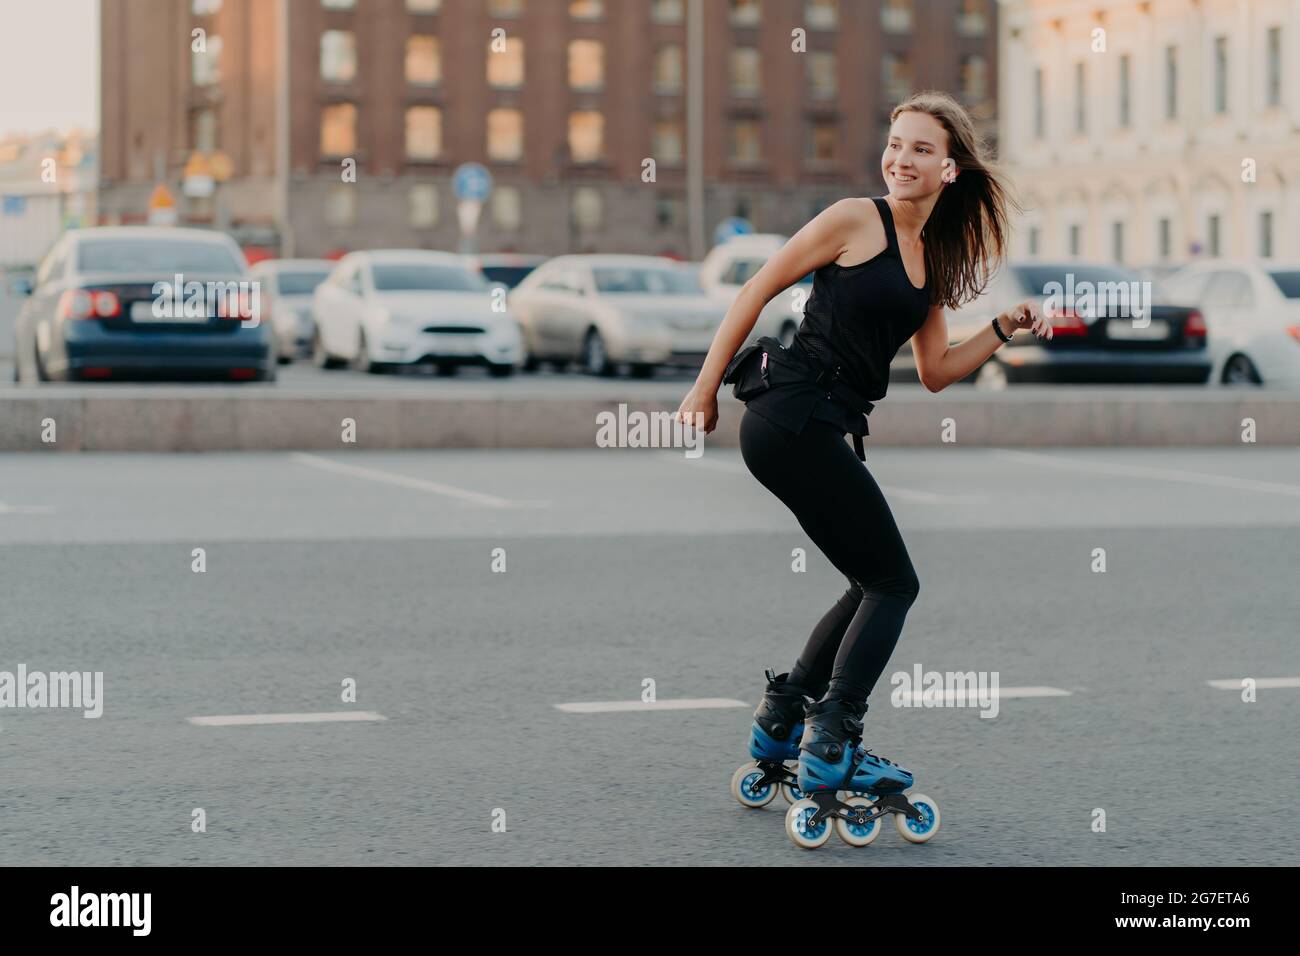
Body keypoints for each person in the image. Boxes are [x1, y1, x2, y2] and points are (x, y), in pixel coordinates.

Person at [676, 91, 1053, 825]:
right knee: (895, 583)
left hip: (820, 425)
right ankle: (833, 736)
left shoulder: (931, 257)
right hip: (792, 414)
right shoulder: (856, 219)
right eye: (894, 143)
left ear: (950, 168)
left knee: (867, 583)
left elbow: (939, 367)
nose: (900, 159)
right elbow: (759, 287)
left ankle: (783, 720)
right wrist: (702, 388)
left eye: (919, 149)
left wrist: (1002, 328)